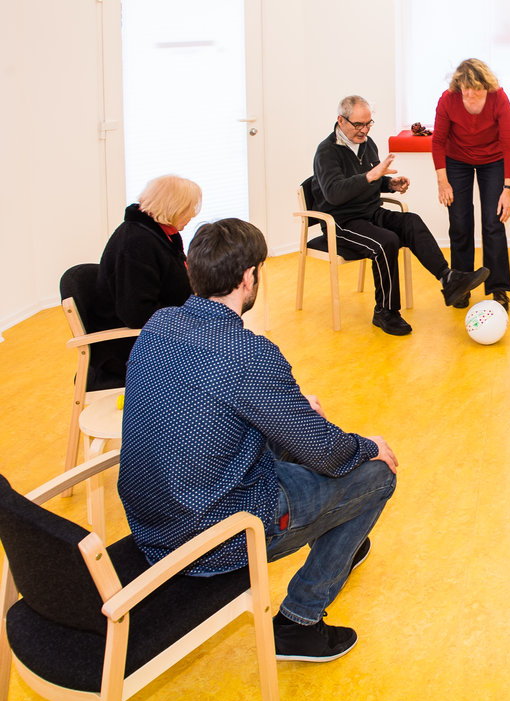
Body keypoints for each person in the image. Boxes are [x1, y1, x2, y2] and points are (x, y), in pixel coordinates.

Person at [119, 218, 398, 663]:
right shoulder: (249, 353)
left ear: (193, 268)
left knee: (299, 424)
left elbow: (212, 398)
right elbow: (326, 452)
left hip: (152, 519)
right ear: (249, 277)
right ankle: (300, 621)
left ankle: (341, 526)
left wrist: (290, 406)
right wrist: (368, 445)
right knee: (377, 474)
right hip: (218, 534)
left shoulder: (160, 324)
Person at [311, 95, 489, 336]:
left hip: (370, 212)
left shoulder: (367, 143)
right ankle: (385, 312)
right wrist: (372, 177)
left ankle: (448, 279)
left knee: (411, 222)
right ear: (340, 120)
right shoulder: (326, 151)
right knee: (387, 242)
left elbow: (369, 181)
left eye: (368, 124)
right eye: (358, 125)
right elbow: (333, 193)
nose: (364, 131)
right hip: (342, 223)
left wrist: (389, 184)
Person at [89, 174, 197, 388]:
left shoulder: (160, 234)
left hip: (157, 334)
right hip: (129, 348)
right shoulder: (137, 243)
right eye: (189, 208)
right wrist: (186, 317)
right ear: (172, 207)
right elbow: (136, 314)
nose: (193, 215)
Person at [433, 58, 510, 312]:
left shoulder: (498, 99)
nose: (471, 94)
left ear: (486, 85)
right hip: (456, 160)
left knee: (493, 223)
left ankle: (498, 287)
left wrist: (507, 189)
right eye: (465, 88)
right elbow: (437, 141)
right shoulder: (448, 100)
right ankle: (461, 285)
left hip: (493, 160)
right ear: (458, 85)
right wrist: (442, 181)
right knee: (459, 222)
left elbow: (509, 142)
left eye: (477, 88)